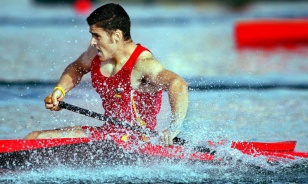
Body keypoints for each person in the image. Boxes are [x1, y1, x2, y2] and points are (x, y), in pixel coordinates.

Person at [25, 3, 188, 146]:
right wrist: (60, 90)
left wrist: (174, 128)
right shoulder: (95, 54)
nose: (92, 42)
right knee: (34, 137)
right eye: (91, 35)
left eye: (97, 36)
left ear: (116, 35)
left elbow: (177, 84)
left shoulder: (143, 64)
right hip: (107, 135)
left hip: (137, 144)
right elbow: (77, 67)